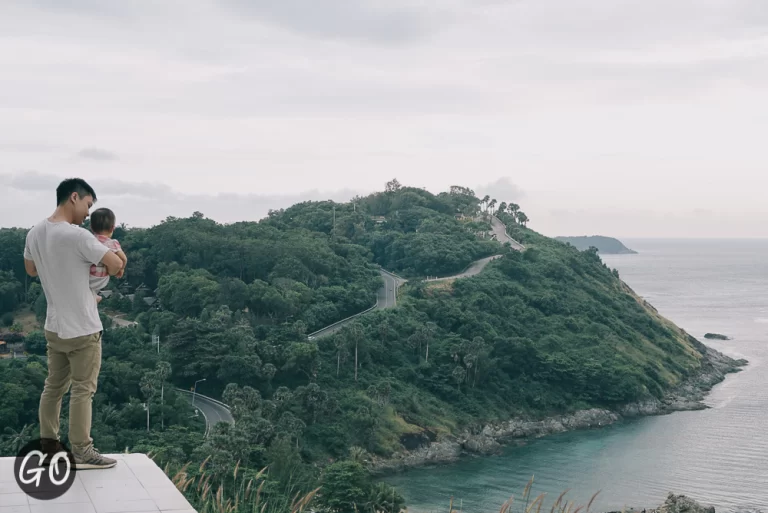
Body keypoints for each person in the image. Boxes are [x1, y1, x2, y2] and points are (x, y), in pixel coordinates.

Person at [23, 178, 124, 469]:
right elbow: (116, 265)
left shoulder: (35, 232)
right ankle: (82, 450)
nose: (89, 214)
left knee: (53, 388)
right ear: (75, 197)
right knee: (83, 390)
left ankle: (49, 447)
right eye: (88, 205)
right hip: (82, 325)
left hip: (54, 325)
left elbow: (31, 269)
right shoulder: (78, 236)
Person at [88, 208, 127, 303]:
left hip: (87, 277)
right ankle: (94, 296)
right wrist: (121, 269)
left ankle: (93, 296)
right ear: (112, 228)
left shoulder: (89, 241)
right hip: (100, 278)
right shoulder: (112, 243)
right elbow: (123, 259)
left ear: (92, 227)